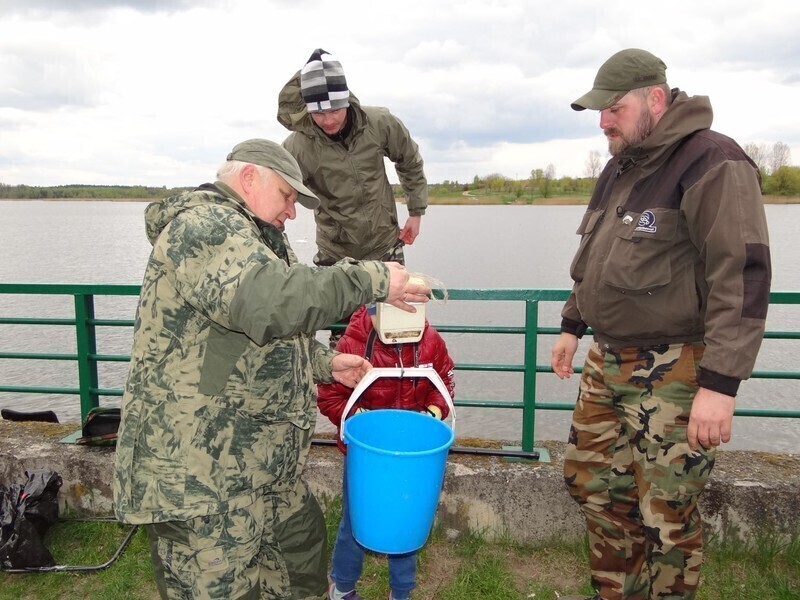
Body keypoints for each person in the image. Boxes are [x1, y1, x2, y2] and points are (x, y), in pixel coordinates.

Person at [112, 138, 431, 600]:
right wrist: (372, 278)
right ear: (249, 179)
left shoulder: (257, 237)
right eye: (287, 195)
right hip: (203, 477)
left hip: (262, 465)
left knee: (301, 561)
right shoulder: (203, 227)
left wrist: (323, 363)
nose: (292, 211)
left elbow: (257, 336)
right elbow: (266, 302)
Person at [550, 49, 771, 600]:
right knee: (593, 486)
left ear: (655, 98)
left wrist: (720, 385)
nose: (603, 121)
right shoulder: (620, 166)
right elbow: (595, 259)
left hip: (676, 368)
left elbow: (741, 274)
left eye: (614, 108)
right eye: (600, 111)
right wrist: (572, 326)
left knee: (666, 511)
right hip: (607, 361)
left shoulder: (712, 160)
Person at [317, 303, 455, 600]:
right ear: (373, 309)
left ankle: (401, 591)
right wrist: (359, 418)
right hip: (367, 456)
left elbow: (443, 381)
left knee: (408, 518)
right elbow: (330, 396)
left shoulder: (431, 341)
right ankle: (342, 586)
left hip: (412, 455)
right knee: (356, 518)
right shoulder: (353, 344)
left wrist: (433, 411)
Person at [277, 48, 427, 268]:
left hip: (386, 246)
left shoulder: (380, 123)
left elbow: (409, 161)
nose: (328, 121)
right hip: (335, 256)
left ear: (346, 101)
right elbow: (278, 193)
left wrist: (416, 212)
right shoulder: (297, 147)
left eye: (335, 110)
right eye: (318, 113)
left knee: (398, 292)